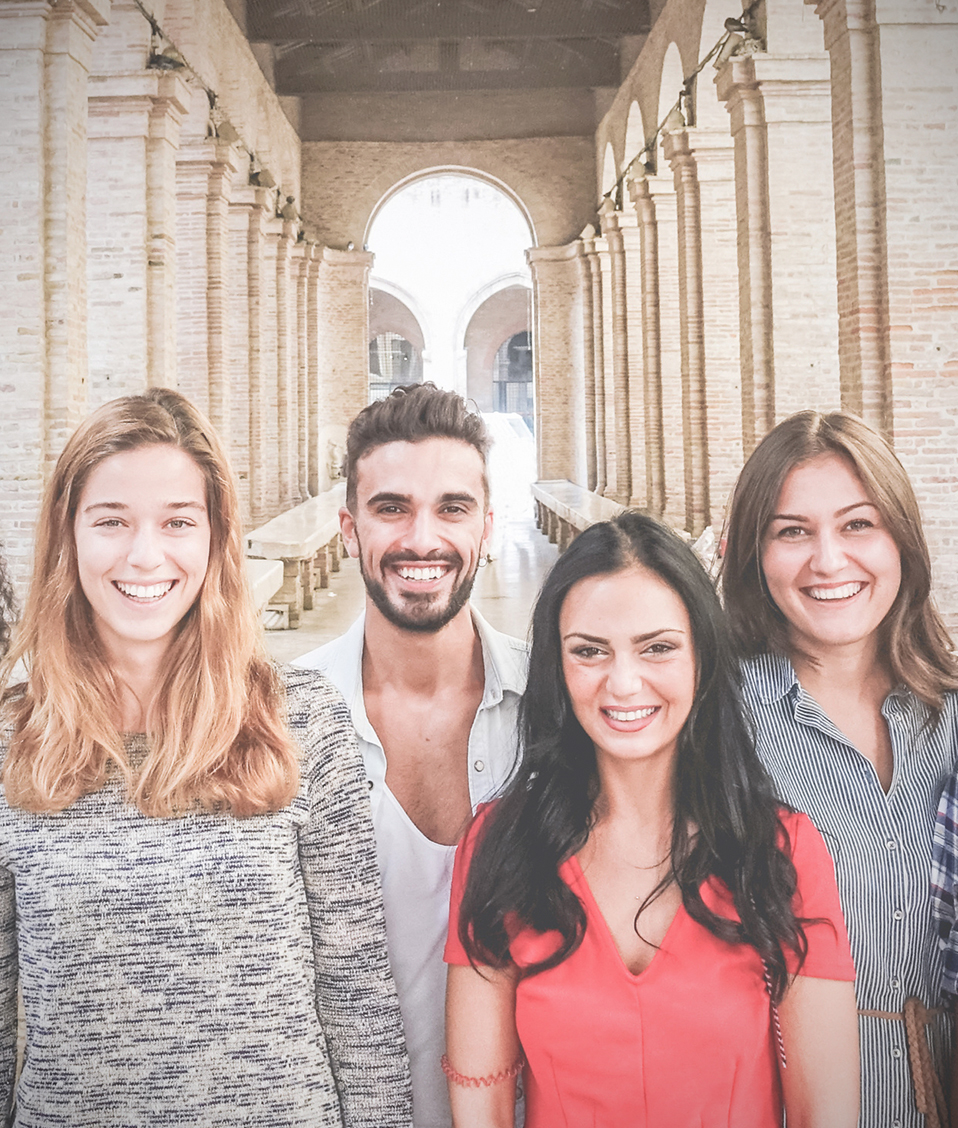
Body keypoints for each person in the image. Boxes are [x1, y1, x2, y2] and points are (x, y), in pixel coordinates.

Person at [0, 388, 411, 1127]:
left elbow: (357, 994)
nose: (144, 555)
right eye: (111, 521)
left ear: (216, 538)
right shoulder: (9, 743)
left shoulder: (301, 718)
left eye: (178, 523)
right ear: (68, 535)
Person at [445, 510, 859, 1127]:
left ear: (702, 658)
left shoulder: (782, 854)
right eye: (589, 651)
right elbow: (481, 1096)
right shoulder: (499, 848)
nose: (624, 683)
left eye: (657, 648)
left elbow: (825, 1114)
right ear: (557, 667)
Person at [296, 383, 528, 1128]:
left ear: (487, 527)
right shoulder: (280, 719)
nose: (422, 539)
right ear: (348, 529)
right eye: (391, 508)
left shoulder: (561, 710)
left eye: (452, 509)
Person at [722, 409, 958, 1128]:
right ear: (755, 554)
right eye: (792, 531)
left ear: (902, 540)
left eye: (858, 525)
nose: (828, 560)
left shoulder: (949, 718)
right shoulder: (718, 725)